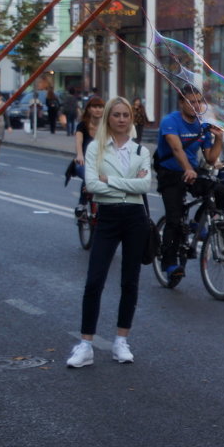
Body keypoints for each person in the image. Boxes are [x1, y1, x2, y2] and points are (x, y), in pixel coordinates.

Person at [66, 97, 153, 368]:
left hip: (135, 218)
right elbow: (92, 184)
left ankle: (121, 341)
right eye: (116, 114)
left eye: (126, 114)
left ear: (131, 119)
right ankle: (86, 344)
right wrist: (127, 184)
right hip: (108, 217)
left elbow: (145, 186)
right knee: (94, 281)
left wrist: (111, 181)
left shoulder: (141, 151)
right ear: (108, 118)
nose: (121, 119)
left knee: (129, 281)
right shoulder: (96, 149)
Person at [155, 83, 223, 286]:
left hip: (192, 171)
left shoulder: (202, 126)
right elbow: (176, 149)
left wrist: (219, 138)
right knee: (174, 220)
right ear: (181, 103)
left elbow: (210, 159)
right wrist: (187, 169)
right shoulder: (170, 121)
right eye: (191, 102)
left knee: (220, 189)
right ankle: (169, 265)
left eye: (199, 101)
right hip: (170, 173)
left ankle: (197, 222)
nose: (196, 105)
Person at [73, 97, 105, 215]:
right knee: (89, 175)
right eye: (94, 107)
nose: (98, 110)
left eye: (100, 107)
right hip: (84, 161)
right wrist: (80, 155)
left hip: (102, 162)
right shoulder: (83, 125)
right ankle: (82, 203)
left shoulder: (106, 126)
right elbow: (79, 141)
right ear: (89, 109)